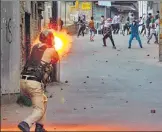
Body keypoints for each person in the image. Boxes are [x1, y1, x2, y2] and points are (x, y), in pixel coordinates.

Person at [18, 29, 59, 132]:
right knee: (39, 110)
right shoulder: (52, 50)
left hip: (23, 81)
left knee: (43, 100)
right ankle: (26, 123)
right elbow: (56, 59)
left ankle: (39, 127)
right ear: (50, 39)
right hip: (34, 83)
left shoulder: (34, 47)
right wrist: (53, 47)